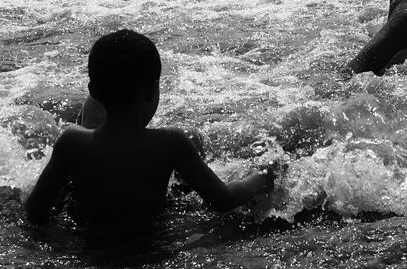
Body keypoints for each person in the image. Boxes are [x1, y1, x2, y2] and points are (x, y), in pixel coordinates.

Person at [25, 29, 274, 228]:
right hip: (150, 245)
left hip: (90, 246)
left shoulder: (71, 142)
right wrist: (264, 177)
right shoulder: (170, 143)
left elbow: (35, 210)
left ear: (92, 92)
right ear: (151, 92)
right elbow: (224, 200)